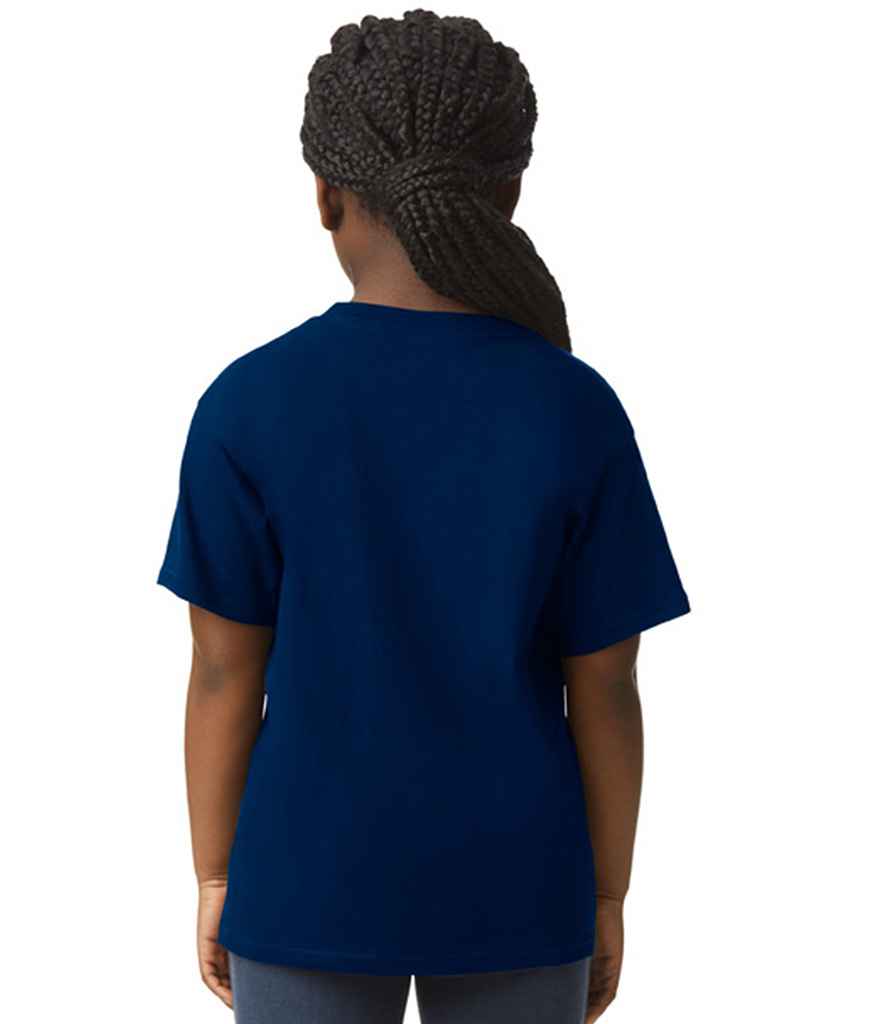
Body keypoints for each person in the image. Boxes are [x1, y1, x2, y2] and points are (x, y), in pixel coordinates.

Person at [156, 10, 691, 1023]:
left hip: (303, 878)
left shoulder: (248, 403)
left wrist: (218, 875)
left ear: (324, 195)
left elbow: (224, 671)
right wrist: (608, 891)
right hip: (520, 887)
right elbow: (607, 683)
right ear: (509, 193)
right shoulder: (573, 406)